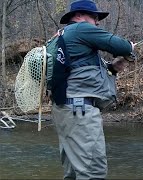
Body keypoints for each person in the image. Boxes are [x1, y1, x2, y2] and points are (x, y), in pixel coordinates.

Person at [51, 0, 135, 179]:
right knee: (93, 172)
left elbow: (75, 70)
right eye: (94, 17)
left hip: (65, 110)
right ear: (79, 16)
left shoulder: (60, 36)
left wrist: (112, 68)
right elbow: (122, 46)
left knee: (73, 174)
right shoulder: (80, 28)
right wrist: (129, 47)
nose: (97, 22)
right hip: (80, 110)